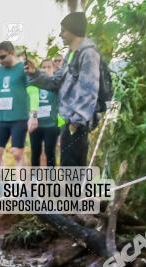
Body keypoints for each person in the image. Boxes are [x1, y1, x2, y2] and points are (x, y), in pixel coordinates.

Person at [25, 12, 101, 167]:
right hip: (68, 120)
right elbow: (55, 82)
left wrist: (77, 121)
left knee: (73, 166)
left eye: (63, 30)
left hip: (77, 121)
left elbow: (90, 88)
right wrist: (34, 73)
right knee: (68, 165)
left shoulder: (88, 54)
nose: (60, 34)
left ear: (74, 30)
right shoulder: (71, 55)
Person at [0, 41, 38, 167]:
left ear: (12, 53)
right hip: (2, 118)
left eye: (3, 57)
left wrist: (34, 115)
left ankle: (23, 185)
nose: (0, 60)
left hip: (19, 118)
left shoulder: (23, 68)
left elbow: (34, 92)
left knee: (17, 153)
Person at [27, 59, 61, 166]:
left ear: (54, 69)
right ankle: (35, 179)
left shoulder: (56, 85)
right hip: (36, 125)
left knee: (50, 153)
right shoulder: (35, 84)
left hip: (51, 125)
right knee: (35, 152)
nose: (46, 69)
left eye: (49, 67)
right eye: (44, 67)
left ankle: (51, 180)